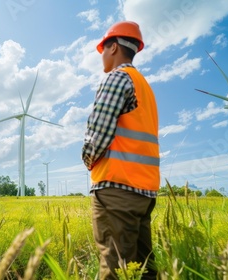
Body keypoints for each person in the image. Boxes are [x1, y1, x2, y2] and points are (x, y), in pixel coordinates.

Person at [82, 21, 160, 280]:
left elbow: (98, 134)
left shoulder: (117, 77)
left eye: (103, 49)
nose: (101, 56)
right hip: (144, 193)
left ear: (113, 47)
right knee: (143, 268)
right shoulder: (144, 86)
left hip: (117, 190)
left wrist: (88, 160)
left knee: (115, 269)